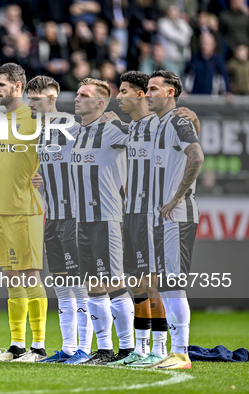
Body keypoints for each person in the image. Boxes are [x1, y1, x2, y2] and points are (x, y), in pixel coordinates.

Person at [24, 76, 93, 364]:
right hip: (52, 216)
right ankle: (67, 348)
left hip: (74, 217)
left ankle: (86, 350)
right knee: (61, 284)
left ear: (51, 98)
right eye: (29, 98)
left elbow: (89, 167)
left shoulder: (73, 129)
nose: (30, 103)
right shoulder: (41, 133)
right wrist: (43, 179)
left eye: (35, 99)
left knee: (80, 284)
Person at [106, 71, 169, 367]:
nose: (118, 97)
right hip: (128, 214)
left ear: (141, 94)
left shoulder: (159, 126)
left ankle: (160, 348)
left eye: (124, 91)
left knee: (151, 281)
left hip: (150, 215)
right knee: (136, 282)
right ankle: (141, 350)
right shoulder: (130, 129)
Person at [71, 78, 134, 365]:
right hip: (82, 219)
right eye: (77, 93)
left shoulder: (112, 129)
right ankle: (105, 350)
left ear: (99, 103)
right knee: (94, 284)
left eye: (84, 95)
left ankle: (128, 349)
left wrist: (120, 119)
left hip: (106, 217)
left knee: (114, 282)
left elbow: (143, 136)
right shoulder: (78, 133)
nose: (77, 98)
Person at [146, 70, 203, 369]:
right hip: (163, 216)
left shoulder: (178, 120)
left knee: (173, 283)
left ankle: (181, 352)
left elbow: (197, 156)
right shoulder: (160, 124)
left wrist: (178, 195)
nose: (147, 93)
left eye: (154, 88)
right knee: (166, 285)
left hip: (177, 215)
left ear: (170, 92)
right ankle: (175, 350)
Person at [0, 63, 48, 362]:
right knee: (12, 277)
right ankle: (17, 346)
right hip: (0, 210)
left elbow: (57, 155)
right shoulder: (2, 122)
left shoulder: (37, 118)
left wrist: (46, 178)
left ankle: (38, 346)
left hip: (26, 209)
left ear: (18, 86)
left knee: (29, 276)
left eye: (1, 84)